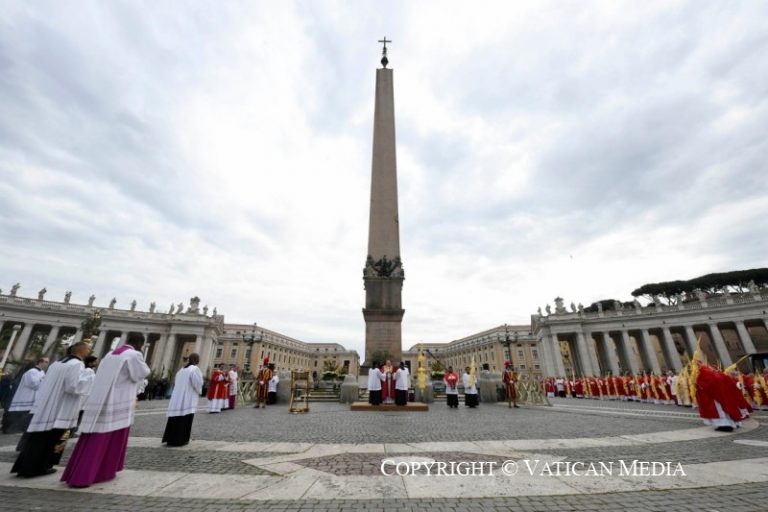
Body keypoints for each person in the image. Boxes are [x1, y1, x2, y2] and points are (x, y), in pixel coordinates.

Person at [61, 333, 150, 488]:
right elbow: (142, 373)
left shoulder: (110, 354)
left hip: (100, 401)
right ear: (139, 344)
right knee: (106, 436)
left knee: (94, 436)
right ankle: (93, 474)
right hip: (116, 401)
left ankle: (78, 472)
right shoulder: (134, 355)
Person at [11, 342, 94, 477]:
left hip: (48, 407)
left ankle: (26, 467)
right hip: (63, 409)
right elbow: (72, 387)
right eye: (88, 349)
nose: (89, 352)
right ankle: (45, 465)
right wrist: (90, 375)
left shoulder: (57, 363)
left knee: (39, 437)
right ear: (81, 350)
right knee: (59, 437)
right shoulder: (77, 364)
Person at [696, 363, 751, 432]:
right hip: (722, 396)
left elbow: (707, 386)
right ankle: (726, 424)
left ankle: (725, 425)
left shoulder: (707, 374)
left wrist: (698, 384)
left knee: (720, 412)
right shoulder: (718, 374)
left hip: (715, 397)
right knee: (724, 410)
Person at [162, 353, 203, 447]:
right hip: (187, 399)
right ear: (195, 360)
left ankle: (170, 439)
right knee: (184, 419)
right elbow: (198, 383)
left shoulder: (181, 370)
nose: (198, 360)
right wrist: (199, 391)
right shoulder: (195, 369)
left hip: (177, 398)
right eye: (198, 359)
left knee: (174, 419)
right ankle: (180, 439)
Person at [3, 357, 48, 435]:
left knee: (26, 414)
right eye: (46, 362)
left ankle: (18, 428)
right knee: (19, 412)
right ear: (40, 362)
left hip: (33, 396)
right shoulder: (31, 371)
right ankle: (9, 429)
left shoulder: (42, 372)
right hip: (25, 395)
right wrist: (42, 380)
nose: (47, 364)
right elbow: (33, 384)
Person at [68, 355, 98, 438]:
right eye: (94, 361)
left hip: (85, 397)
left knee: (79, 415)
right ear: (90, 363)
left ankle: (73, 431)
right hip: (83, 398)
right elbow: (83, 383)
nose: (96, 363)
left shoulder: (90, 371)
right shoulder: (88, 371)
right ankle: (72, 432)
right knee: (78, 415)